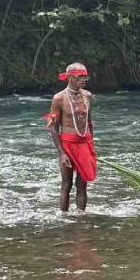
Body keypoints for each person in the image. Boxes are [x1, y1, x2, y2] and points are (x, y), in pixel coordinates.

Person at [44, 63, 96, 212]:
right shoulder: (58, 98)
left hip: (85, 143)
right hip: (67, 144)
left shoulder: (87, 95)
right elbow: (53, 127)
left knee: (82, 184)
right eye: (81, 77)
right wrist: (61, 154)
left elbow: (89, 123)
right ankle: (64, 218)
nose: (84, 80)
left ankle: (81, 216)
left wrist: (91, 145)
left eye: (86, 77)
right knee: (67, 184)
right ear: (71, 78)